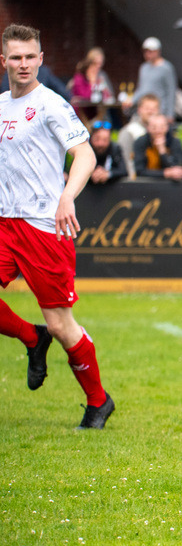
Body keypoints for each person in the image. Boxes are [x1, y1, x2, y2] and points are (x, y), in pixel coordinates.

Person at [0, 23, 115, 429]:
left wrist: (67, 196)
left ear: (41, 59)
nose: (24, 63)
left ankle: (98, 401)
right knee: (44, 329)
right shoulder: (0, 106)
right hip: (4, 223)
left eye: (31, 56)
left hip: (42, 228)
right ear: (4, 62)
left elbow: (84, 155)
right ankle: (31, 339)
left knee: (60, 325)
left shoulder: (51, 104)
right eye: (16, 57)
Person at [128, 37, 177, 121]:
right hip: (144, 109)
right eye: (145, 51)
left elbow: (171, 91)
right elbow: (141, 88)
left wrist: (170, 114)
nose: (147, 54)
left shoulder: (166, 68)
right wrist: (132, 100)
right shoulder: (144, 67)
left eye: (150, 51)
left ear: (158, 51)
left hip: (159, 110)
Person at [118, 92, 161, 179]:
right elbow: (124, 159)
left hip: (158, 180)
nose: (151, 112)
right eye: (147, 108)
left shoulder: (164, 130)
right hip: (137, 181)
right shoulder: (129, 131)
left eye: (154, 108)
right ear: (139, 110)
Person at [133, 114, 182, 181]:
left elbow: (177, 169)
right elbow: (139, 170)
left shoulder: (174, 142)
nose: (158, 131)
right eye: (154, 127)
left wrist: (162, 152)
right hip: (146, 183)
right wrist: (165, 173)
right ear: (148, 128)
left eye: (162, 127)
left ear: (167, 127)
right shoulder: (140, 142)